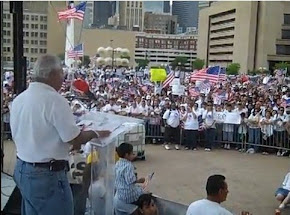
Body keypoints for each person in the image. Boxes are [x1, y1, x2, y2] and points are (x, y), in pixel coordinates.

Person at [10, 54, 111, 215]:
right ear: (51, 74)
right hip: (47, 176)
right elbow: (74, 138)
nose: (63, 79)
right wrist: (95, 132)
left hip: (23, 168)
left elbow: (36, 134)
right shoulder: (55, 100)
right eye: (61, 74)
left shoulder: (19, 99)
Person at [114, 143, 146, 215]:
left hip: (120, 193)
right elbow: (130, 181)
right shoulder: (128, 165)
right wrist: (140, 180)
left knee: (139, 188)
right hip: (128, 195)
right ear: (126, 155)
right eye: (132, 153)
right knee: (143, 191)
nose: (133, 155)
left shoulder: (118, 163)